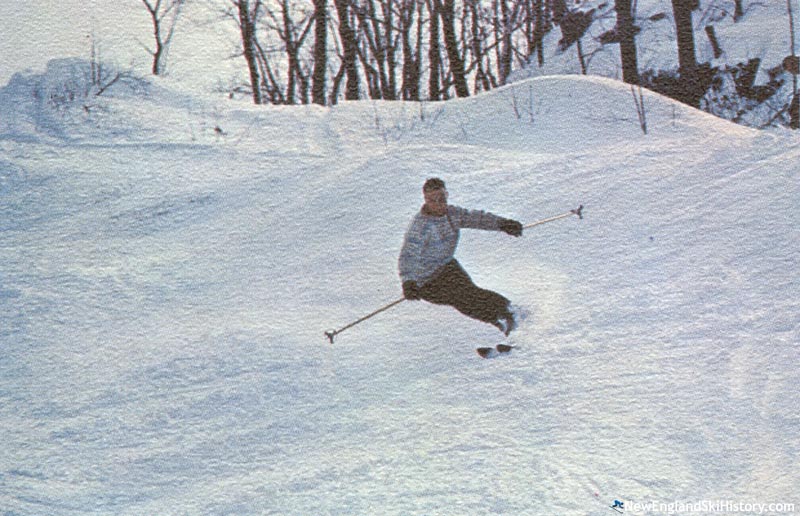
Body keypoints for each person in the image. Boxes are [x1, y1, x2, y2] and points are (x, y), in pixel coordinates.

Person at [398, 177, 523, 335]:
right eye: (433, 200)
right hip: (426, 280)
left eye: (442, 198)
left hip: (448, 267)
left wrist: (502, 224)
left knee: (471, 293)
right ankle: (503, 318)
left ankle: (509, 312)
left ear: (447, 195)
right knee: (462, 299)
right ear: (426, 200)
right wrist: (408, 281)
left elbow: (476, 218)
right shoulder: (420, 227)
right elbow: (409, 254)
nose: (439, 203)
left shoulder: (452, 214)